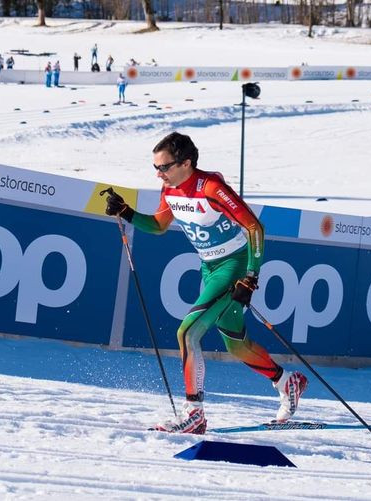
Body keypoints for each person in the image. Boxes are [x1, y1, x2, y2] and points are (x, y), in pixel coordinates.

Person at [103, 132, 308, 434]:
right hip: (209, 268)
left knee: (187, 332)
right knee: (237, 345)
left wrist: (251, 276)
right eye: (156, 167)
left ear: (186, 163)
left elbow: (254, 227)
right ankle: (286, 382)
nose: (159, 174)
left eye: (165, 167)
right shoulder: (170, 189)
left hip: (233, 266)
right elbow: (159, 225)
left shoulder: (211, 187)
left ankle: (194, 413)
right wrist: (127, 212)